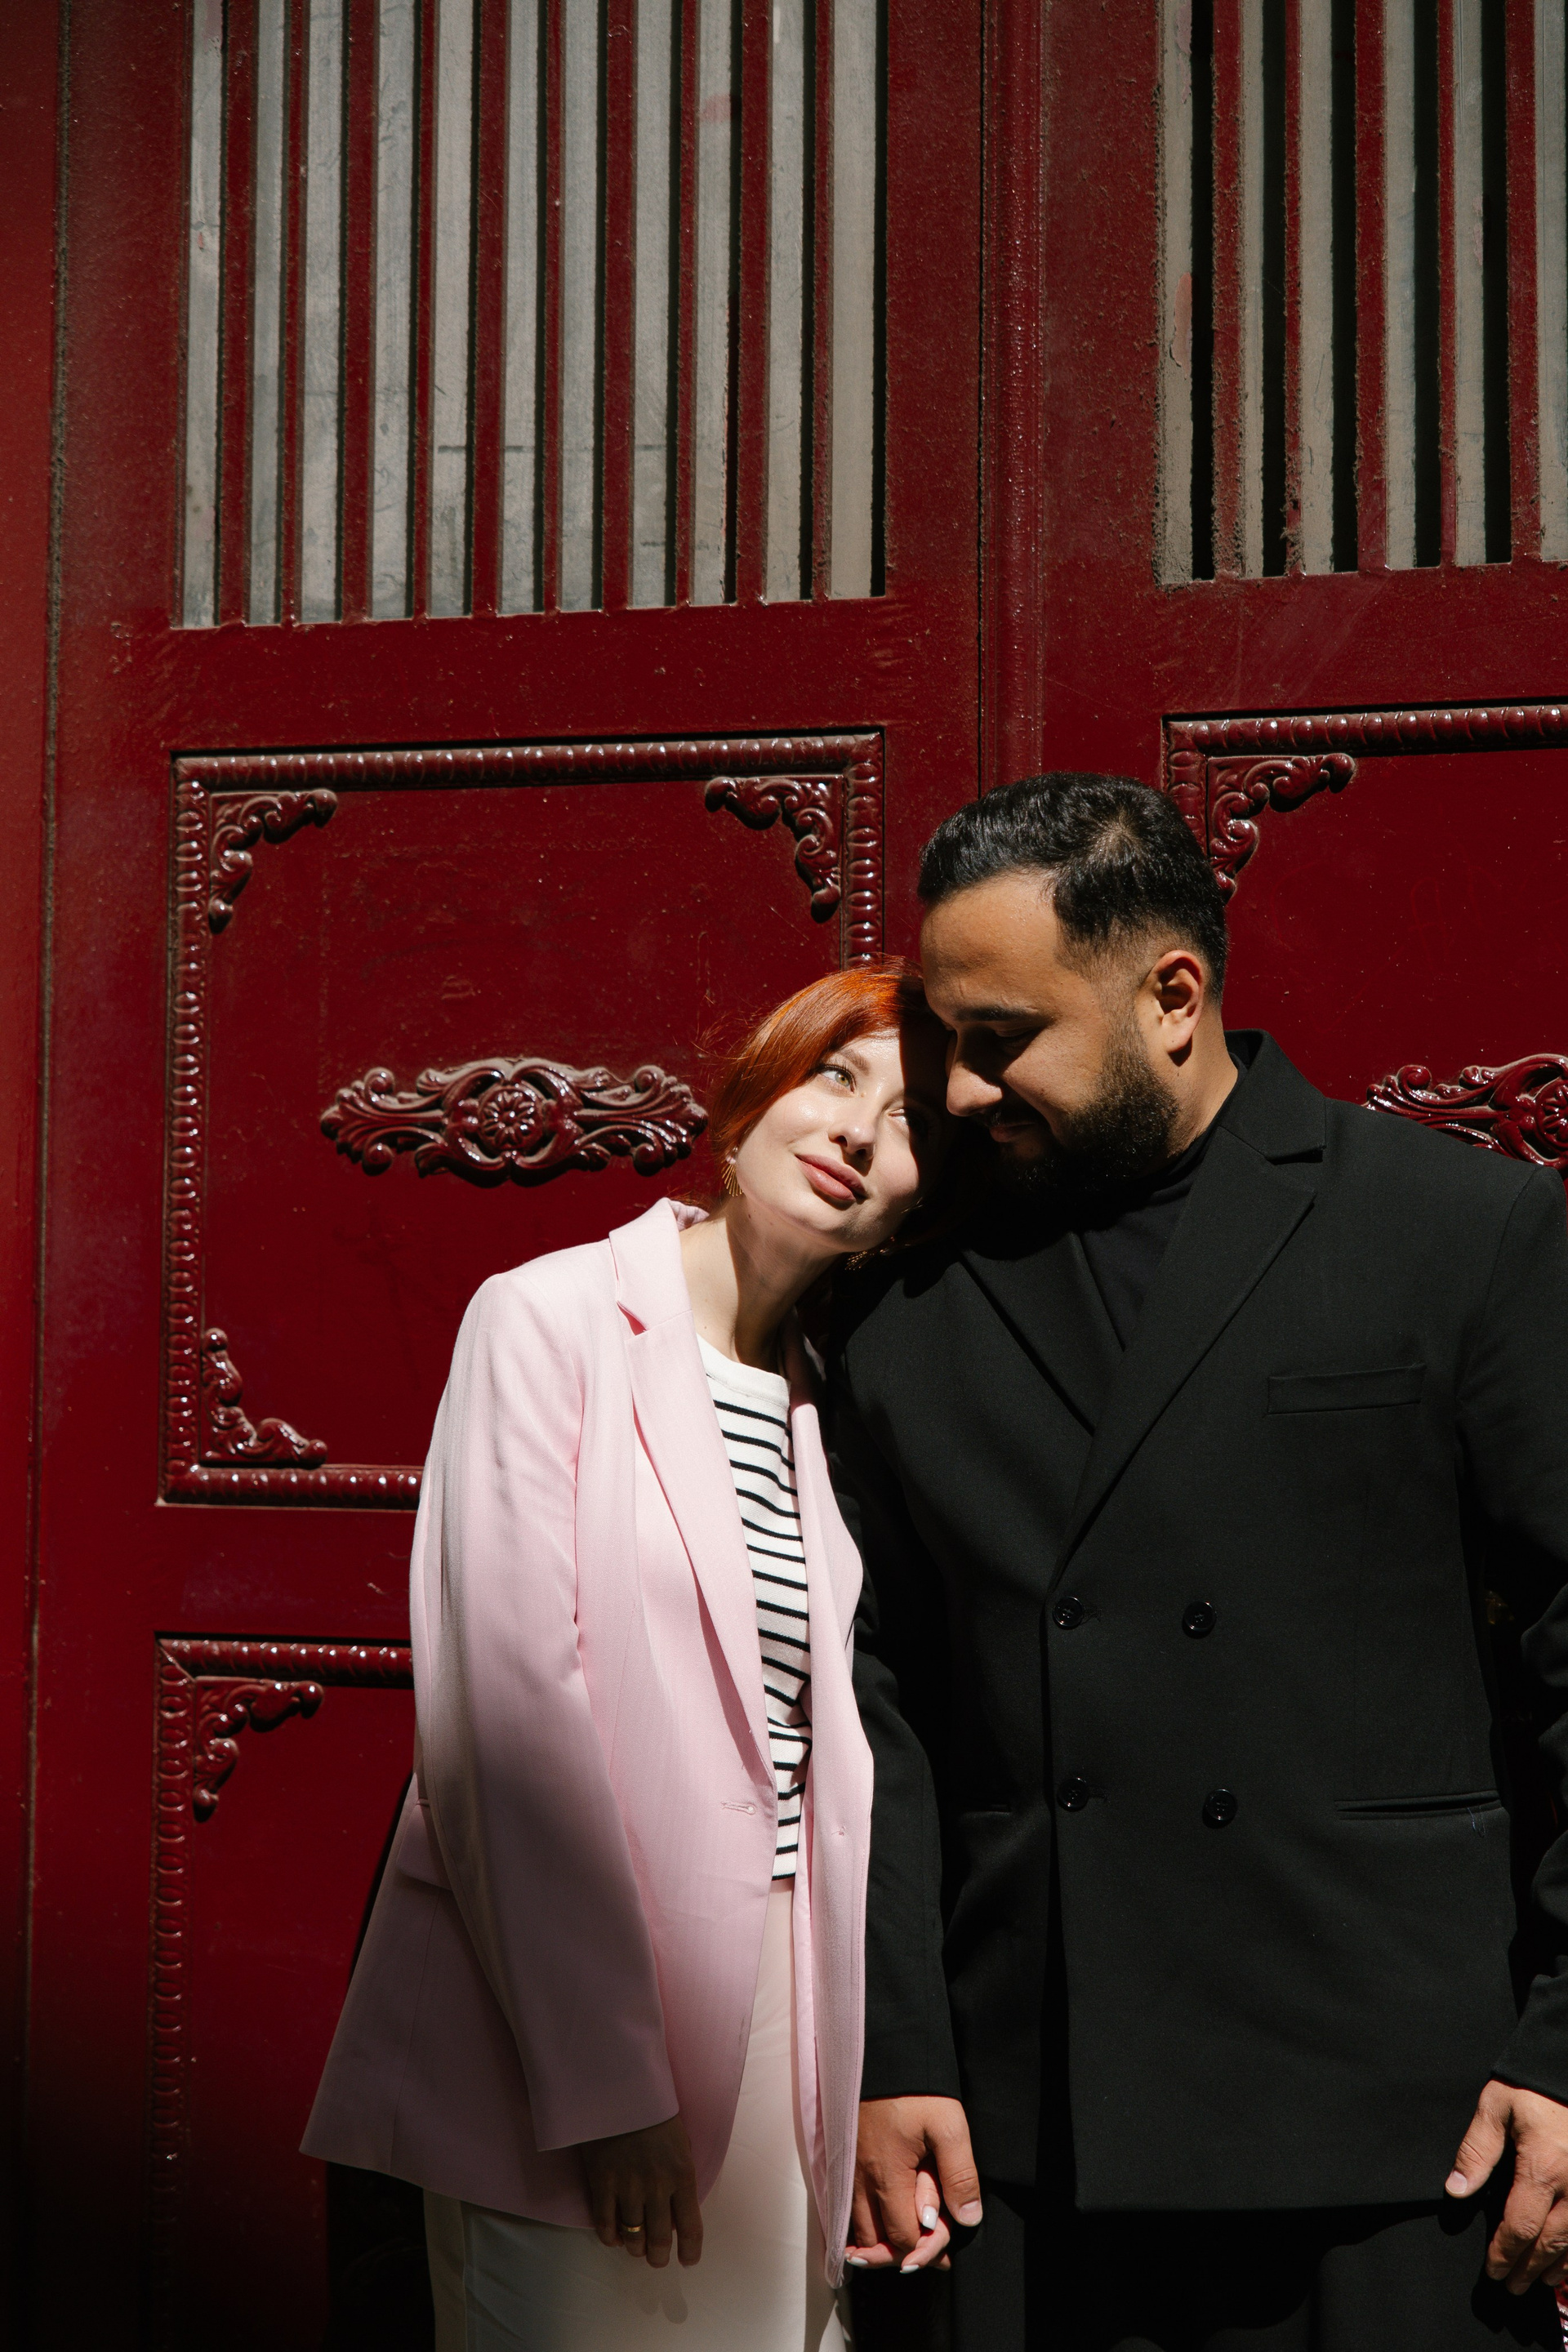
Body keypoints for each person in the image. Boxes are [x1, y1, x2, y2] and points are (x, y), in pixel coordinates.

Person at [828, 773, 1568, 2350]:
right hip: (1027, 2133)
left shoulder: (1460, 1232)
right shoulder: (899, 1303)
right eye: (944, 1037)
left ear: (1173, 997)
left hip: (1394, 2123)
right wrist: (896, 2047)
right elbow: (869, 1706)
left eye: (1002, 1035)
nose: (959, 1089)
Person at [303, 964, 951, 2350]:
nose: (856, 1131)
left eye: (910, 1122)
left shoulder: (838, 1400)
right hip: (576, 2020)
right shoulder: (549, 1318)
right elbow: (509, 1723)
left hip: (792, 2005)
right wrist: (610, 2084)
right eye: (836, 1076)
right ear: (753, 1098)